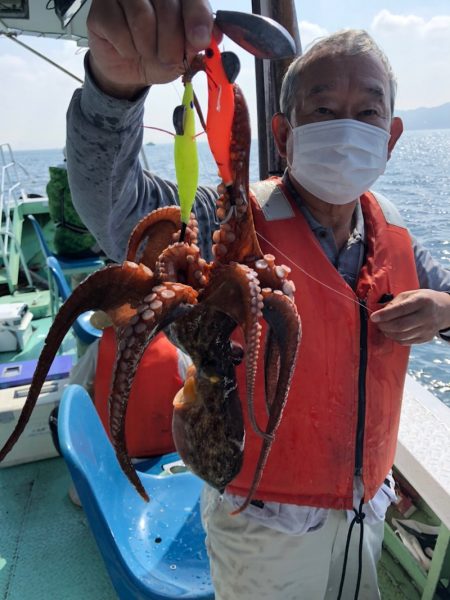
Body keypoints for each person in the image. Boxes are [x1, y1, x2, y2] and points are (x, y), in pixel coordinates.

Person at [65, 2, 450, 598]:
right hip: (261, 523)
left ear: (392, 136)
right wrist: (114, 89)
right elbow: (116, 203)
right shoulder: (234, 222)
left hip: (363, 511)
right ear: (283, 132)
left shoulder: (397, 234)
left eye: (367, 111)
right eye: (322, 109)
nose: (346, 126)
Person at [46, 147, 103, 258]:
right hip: (83, 247)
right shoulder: (81, 184)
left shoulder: (52, 183)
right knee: (118, 247)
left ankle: (80, 275)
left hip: (60, 245)